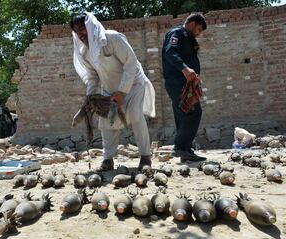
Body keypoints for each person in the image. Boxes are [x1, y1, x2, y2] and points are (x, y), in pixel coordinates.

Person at [70, 12, 156, 171]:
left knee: (136, 116)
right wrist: (89, 99)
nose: (81, 34)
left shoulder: (112, 38)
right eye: (77, 31)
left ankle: (145, 157)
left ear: (91, 26)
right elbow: (92, 77)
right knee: (106, 124)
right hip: (109, 91)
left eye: (83, 29)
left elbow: (131, 63)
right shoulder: (85, 52)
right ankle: (108, 160)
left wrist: (122, 92)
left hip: (134, 84)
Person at [162, 13, 207, 162]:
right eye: (198, 29)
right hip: (177, 82)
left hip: (186, 83)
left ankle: (185, 151)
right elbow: (170, 52)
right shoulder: (177, 34)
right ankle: (180, 147)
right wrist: (185, 69)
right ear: (192, 23)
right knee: (194, 112)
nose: (198, 33)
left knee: (183, 114)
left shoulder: (189, 39)